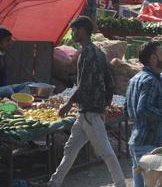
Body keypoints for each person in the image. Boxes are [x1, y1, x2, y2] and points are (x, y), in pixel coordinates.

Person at [48, 16, 124, 187]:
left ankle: (120, 184)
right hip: (87, 111)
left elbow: (84, 84)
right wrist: (104, 103)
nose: (73, 33)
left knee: (106, 152)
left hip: (90, 111)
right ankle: (54, 182)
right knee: (70, 148)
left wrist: (69, 103)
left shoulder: (87, 53)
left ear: (83, 31)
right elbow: (109, 82)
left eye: (75, 30)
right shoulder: (98, 51)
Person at [125, 41, 162, 187]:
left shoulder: (135, 78)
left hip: (136, 140)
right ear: (153, 58)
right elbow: (142, 109)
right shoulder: (151, 81)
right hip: (147, 142)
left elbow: (129, 107)